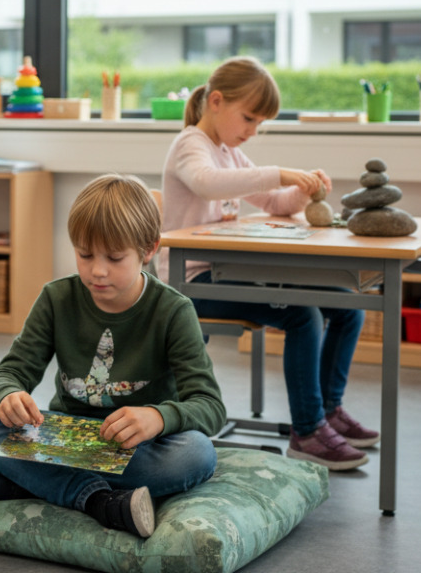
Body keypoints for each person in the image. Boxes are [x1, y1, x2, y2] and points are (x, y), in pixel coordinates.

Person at [0, 174, 225, 539]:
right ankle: (97, 499)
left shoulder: (173, 311)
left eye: (115, 258)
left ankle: (24, 481)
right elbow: (11, 372)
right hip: (64, 440)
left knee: (197, 453)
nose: (97, 271)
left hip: (135, 447)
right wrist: (8, 395)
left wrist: (157, 418)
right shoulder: (56, 298)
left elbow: (209, 406)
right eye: (84, 255)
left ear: (149, 249)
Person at [158, 56, 379, 471]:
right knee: (303, 315)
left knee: (347, 306)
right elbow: (207, 183)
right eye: (249, 119)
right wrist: (279, 172)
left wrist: (301, 188)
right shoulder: (191, 145)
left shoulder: (228, 152)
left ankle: (328, 410)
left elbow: (276, 205)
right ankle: (308, 430)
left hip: (231, 272)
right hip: (193, 282)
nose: (252, 132)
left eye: (260, 124)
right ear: (217, 101)